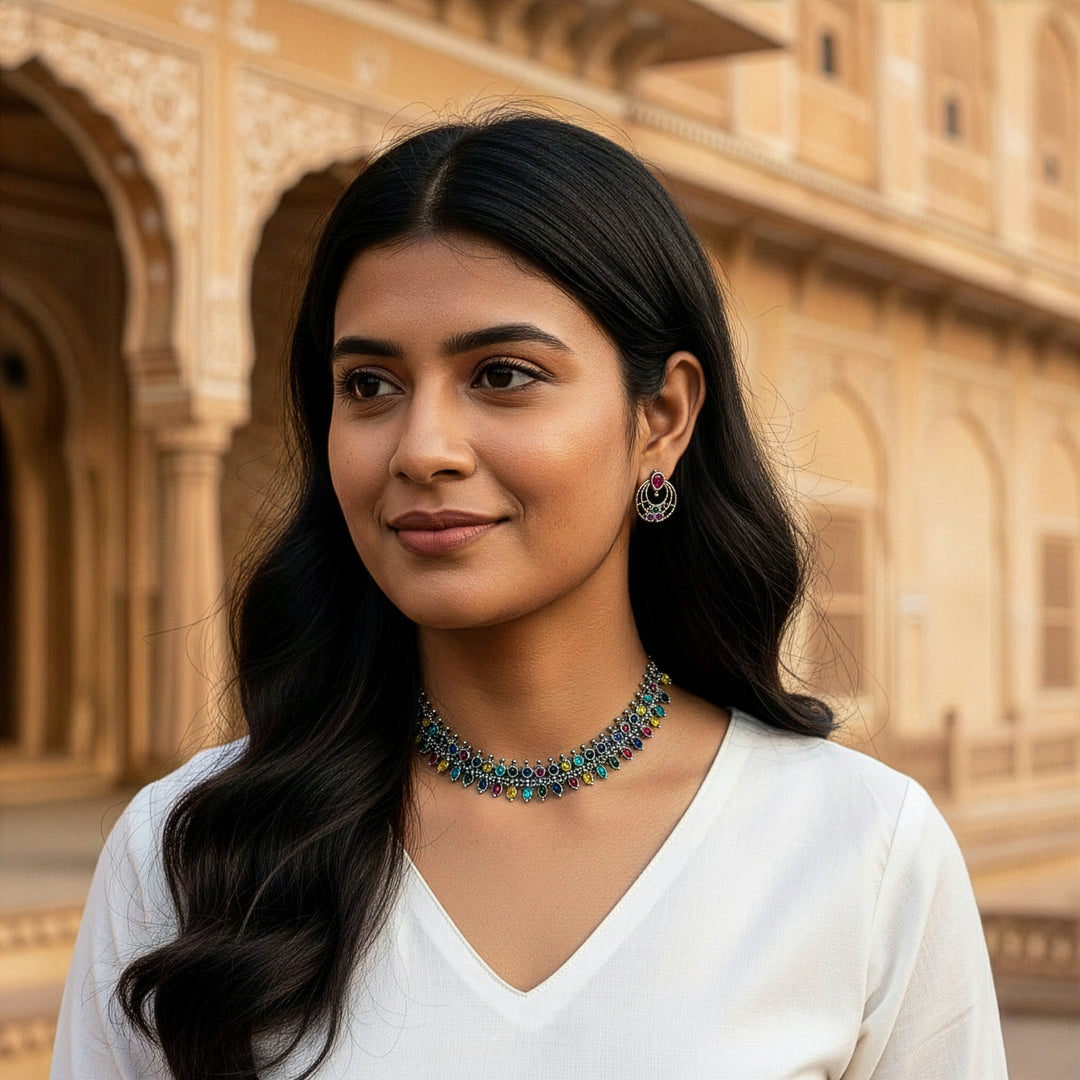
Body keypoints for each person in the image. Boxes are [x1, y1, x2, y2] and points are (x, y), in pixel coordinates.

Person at [51, 110, 1008, 1080]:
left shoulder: (857, 852)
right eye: (371, 386)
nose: (423, 447)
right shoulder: (192, 856)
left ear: (662, 418)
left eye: (503, 376)